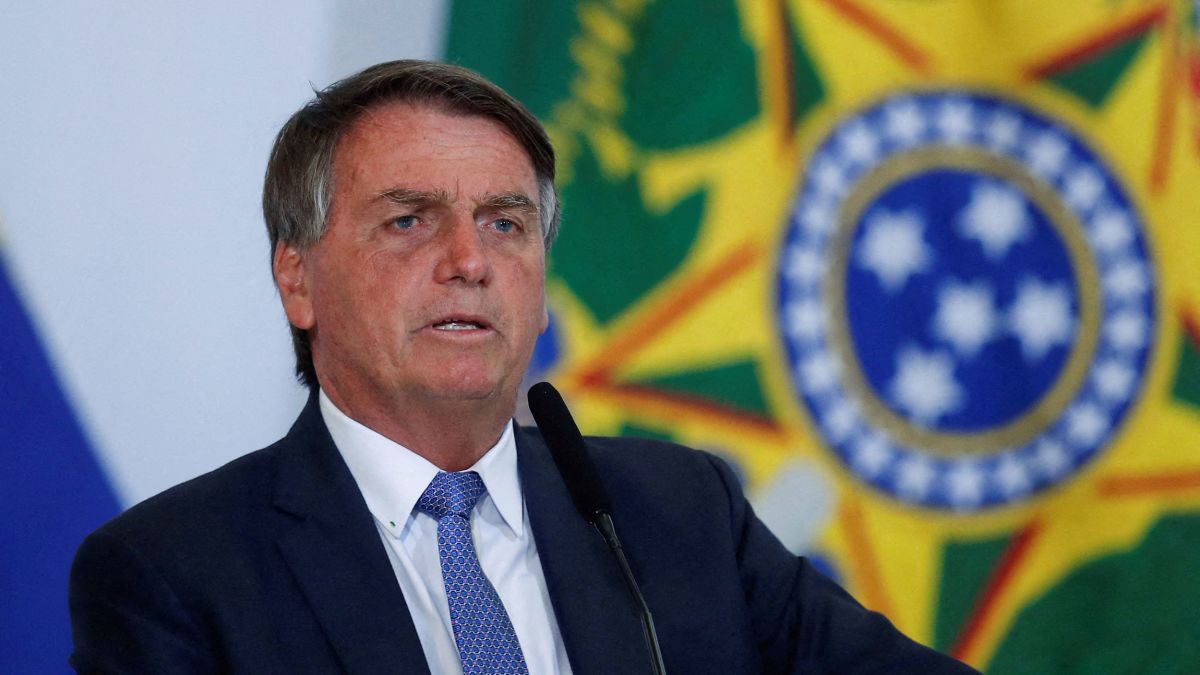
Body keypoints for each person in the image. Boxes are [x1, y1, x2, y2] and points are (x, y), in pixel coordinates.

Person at [68, 60, 977, 674]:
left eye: (506, 223)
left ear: (541, 289)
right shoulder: (174, 573)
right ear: (297, 277)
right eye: (409, 219)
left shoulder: (678, 511)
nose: (470, 260)